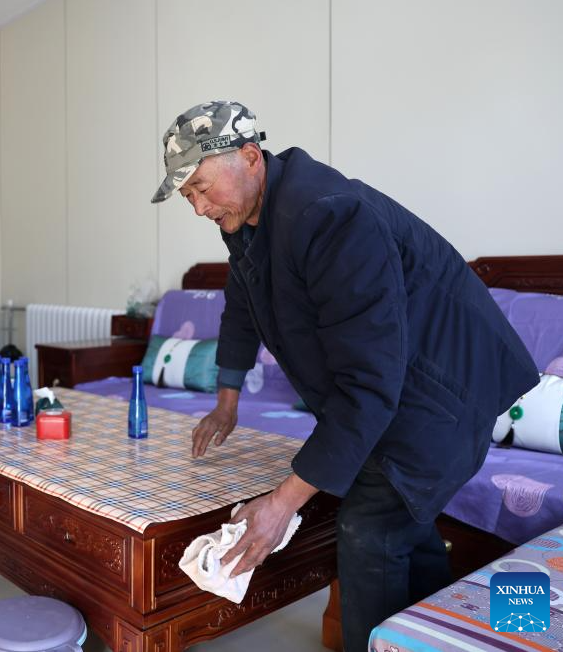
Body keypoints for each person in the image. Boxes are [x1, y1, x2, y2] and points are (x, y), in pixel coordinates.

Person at [151, 100, 538, 652]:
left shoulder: (330, 217)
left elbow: (369, 385)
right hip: (396, 394)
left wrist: (282, 503)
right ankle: (427, 640)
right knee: (407, 531)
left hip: (440, 398)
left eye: (201, 187)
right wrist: (228, 399)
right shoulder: (247, 218)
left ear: (251, 157)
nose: (198, 207)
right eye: (188, 196)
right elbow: (242, 304)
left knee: (368, 528)